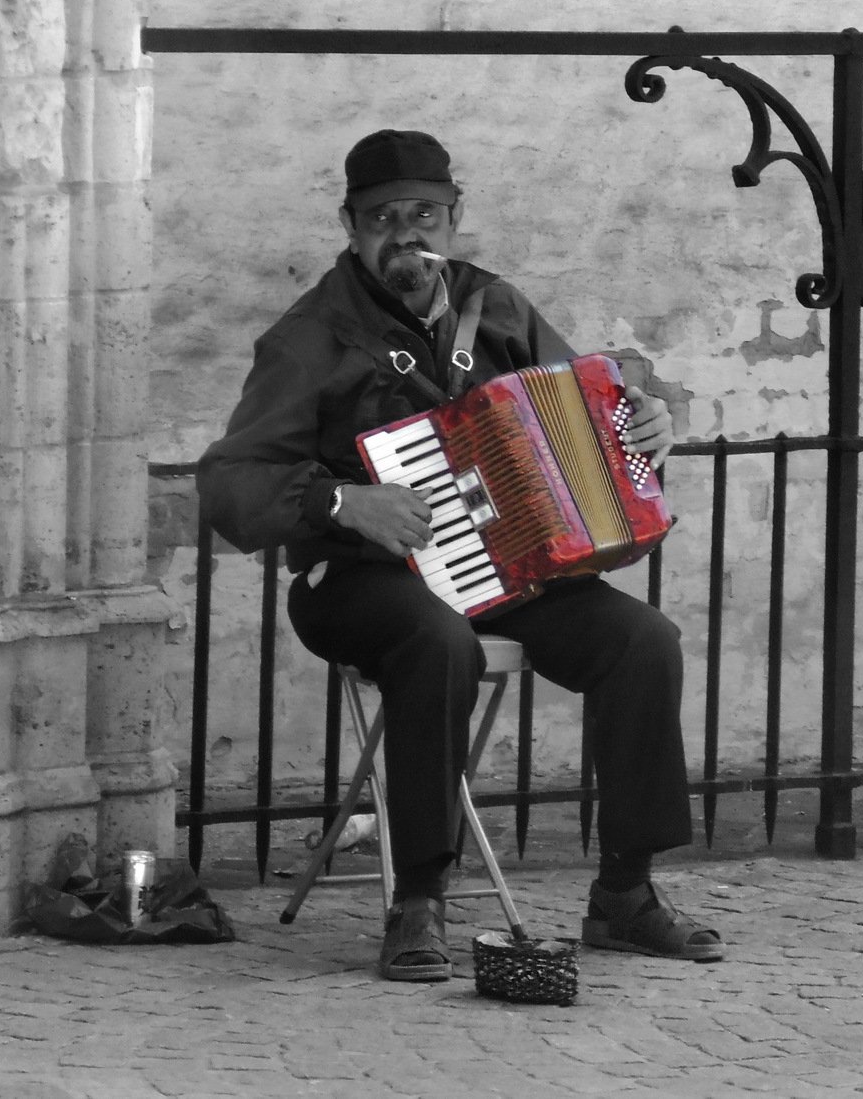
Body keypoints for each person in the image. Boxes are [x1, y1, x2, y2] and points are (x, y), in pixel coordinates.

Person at [201, 129, 722, 981]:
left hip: (504, 569)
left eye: (424, 215)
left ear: (454, 217)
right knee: (437, 641)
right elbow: (231, 482)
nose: (405, 235)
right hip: (358, 579)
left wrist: (644, 426)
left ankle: (625, 895)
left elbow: (593, 406)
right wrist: (344, 502)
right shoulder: (310, 338)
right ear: (349, 225)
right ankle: (418, 900)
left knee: (643, 641)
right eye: (383, 219)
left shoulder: (497, 308)